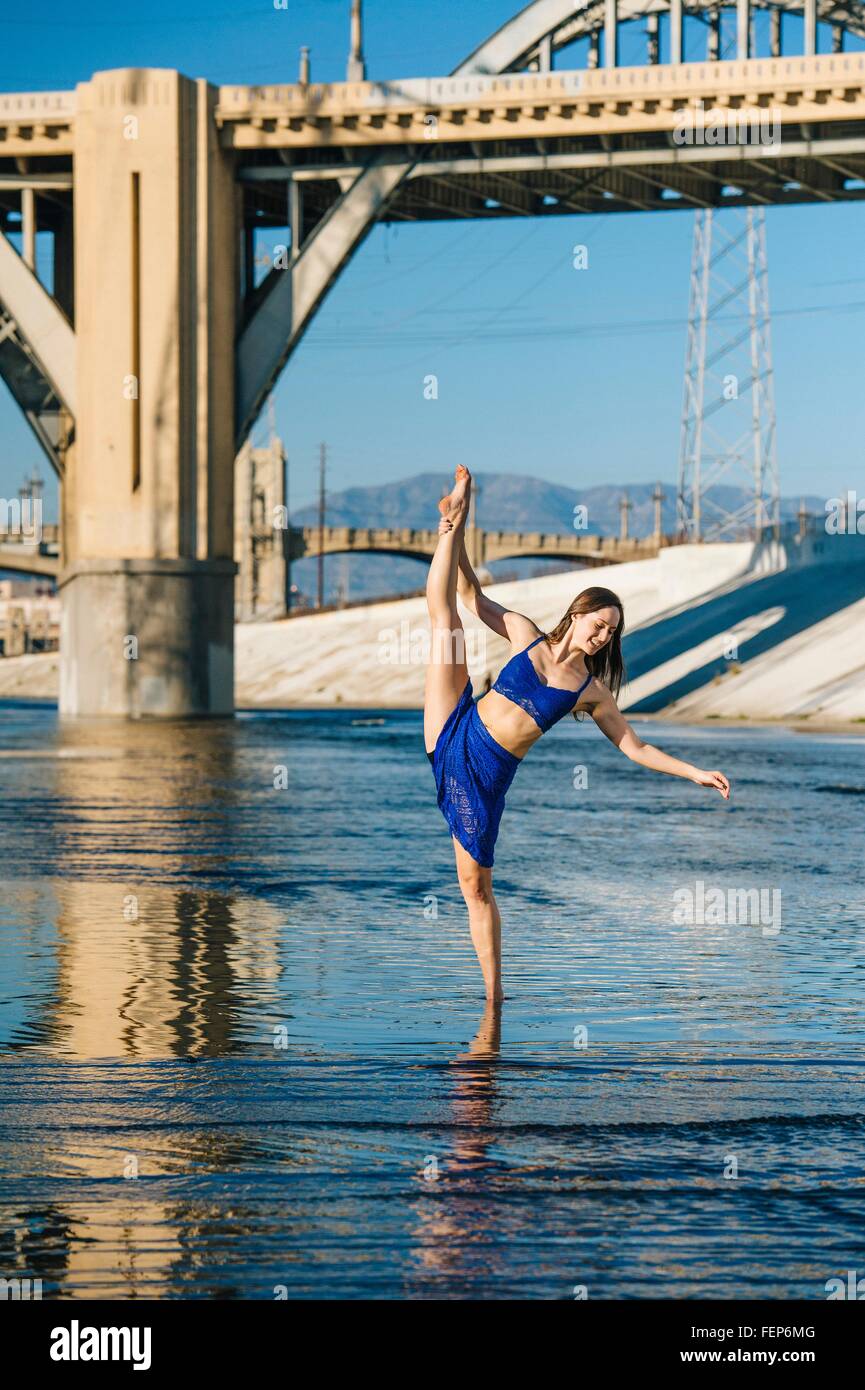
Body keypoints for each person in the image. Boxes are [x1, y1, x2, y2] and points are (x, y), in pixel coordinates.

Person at [424, 466, 730, 1003]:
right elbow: (471, 597)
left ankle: (494, 997)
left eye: (611, 631)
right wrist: (460, 530)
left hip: (487, 778)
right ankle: (454, 516)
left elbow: (634, 746)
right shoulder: (526, 635)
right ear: (579, 612)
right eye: (600, 622)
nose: (603, 634)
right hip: (456, 728)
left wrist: (693, 772)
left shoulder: (590, 691)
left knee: (475, 888)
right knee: (445, 619)